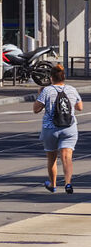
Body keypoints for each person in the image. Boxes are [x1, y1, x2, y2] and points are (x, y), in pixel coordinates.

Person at [33, 64, 83, 193]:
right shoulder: (72, 89)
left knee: (52, 158)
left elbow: (36, 109)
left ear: (51, 78)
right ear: (63, 77)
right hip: (69, 127)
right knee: (67, 157)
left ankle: (53, 184)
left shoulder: (47, 91)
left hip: (51, 128)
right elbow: (80, 107)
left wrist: (40, 94)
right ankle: (68, 183)